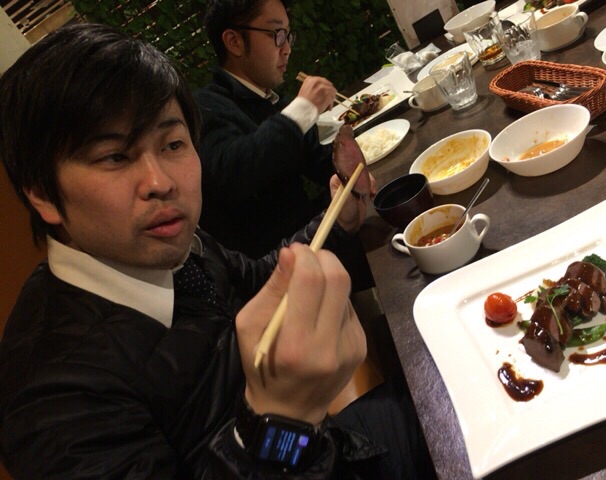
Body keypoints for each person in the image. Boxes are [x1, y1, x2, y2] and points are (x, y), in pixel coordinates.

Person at [0, 23, 434, 479]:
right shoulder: (48, 404)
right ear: (43, 195)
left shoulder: (171, 245)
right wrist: (278, 423)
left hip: (321, 444)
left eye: (172, 144)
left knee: (446, 380)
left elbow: (262, 281)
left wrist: (339, 223)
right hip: (291, 451)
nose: (161, 183)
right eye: (115, 157)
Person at [195, 0, 376, 287]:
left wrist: (350, 168)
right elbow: (232, 173)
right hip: (274, 272)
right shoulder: (206, 107)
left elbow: (320, 164)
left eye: (288, 35)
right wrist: (302, 110)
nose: (287, 48)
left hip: (316, 237)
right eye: (276, 34)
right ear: (234, 41)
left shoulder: (269, 101)